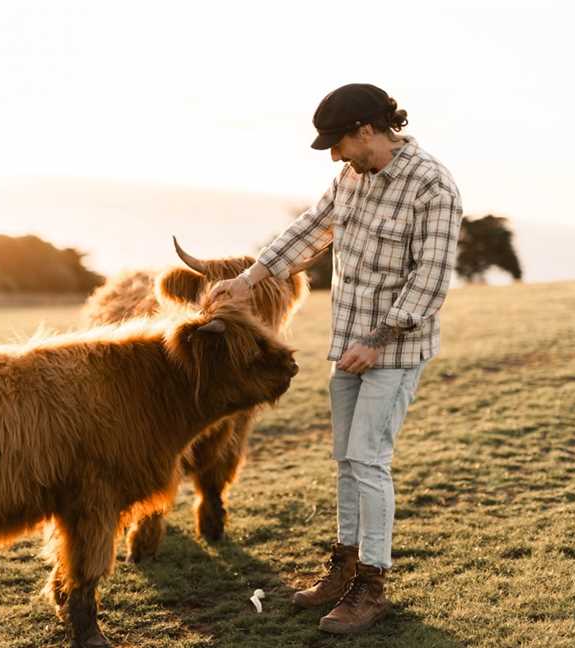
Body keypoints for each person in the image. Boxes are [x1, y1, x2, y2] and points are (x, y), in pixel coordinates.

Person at [207, 83, 462, 635]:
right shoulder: (351, 177)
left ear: (367, 130)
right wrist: (250, 280)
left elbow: (432, 279)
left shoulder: (432, 187)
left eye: (339, 142)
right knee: (345, 458)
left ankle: (372, 587)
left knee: (369, 459)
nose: (335, 155)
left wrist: (380, 339)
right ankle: (342, 569)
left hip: (392, 349)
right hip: (347, 345)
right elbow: (310, 230)